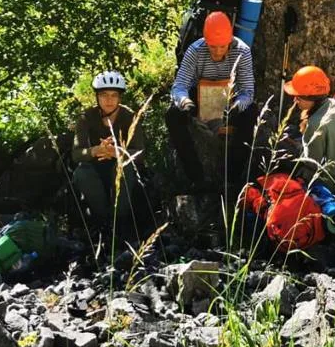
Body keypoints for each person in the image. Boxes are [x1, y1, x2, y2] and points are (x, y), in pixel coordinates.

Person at [165, 12, 256, 194]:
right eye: (212, 46)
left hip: (230, 102)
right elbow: (179, 86)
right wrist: (185, 103)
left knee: (251, 113)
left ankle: (232, 178)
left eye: (222, 46)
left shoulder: (243, 51)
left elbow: (247, 91)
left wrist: (238, 106)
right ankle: (196, 177)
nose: (217, 51)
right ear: (205, 40)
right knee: (172, 115)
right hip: (198, 97)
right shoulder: (195, 50)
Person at [70, 71, 149, 238]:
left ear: (120, 98)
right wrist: (95, 150)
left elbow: (140, 152)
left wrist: (118, 153)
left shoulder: (129, 116)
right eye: (104, 95)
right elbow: (76, 154)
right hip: (94, 166)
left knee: (126, 171)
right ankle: (102, 221)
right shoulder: (86, 117)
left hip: (119, 164)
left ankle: (120, 221)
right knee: (81, 173)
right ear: (97, 97)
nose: (109, 100)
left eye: (114, 95)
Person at [279, 66, 335, 195]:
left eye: (298, 97)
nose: (294, 100)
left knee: (279, 147)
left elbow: (311, 162)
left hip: (328, 182)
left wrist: (293, 145)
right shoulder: (334, 104)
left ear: (311, 98)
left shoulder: (315, 124)